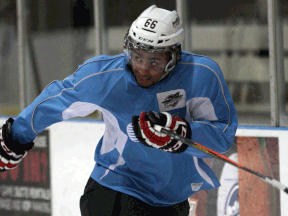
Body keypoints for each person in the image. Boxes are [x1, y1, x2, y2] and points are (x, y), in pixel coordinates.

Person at [0, 5, 238, 216]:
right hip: (116, 188)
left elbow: (222, 136)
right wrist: (15, 137)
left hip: (172, 198)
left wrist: (182, 133)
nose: (143, 68)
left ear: (173, 55)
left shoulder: (201, 75)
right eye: (137, 57)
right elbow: (55, 101)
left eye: (155, 61)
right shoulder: (103, 76)